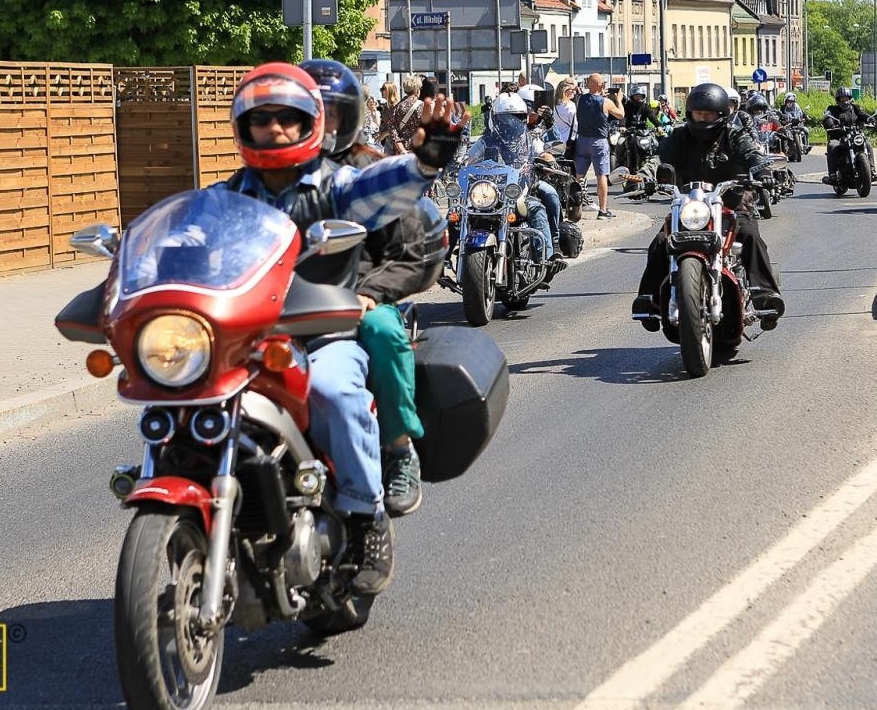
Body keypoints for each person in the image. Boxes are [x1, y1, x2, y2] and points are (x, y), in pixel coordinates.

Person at [224, 62, 464, 592]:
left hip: (326, 327)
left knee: (333, 389)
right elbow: (187, 240)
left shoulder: (337, 184)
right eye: (261, 120)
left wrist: (424, 162)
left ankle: (365, 515)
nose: (275, 130)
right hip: (251, 337)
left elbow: (380, 188)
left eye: (289, 118)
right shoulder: (227, 196)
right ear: (243, 127)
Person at [302, 60, 440, 517]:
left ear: (347, 118)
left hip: (355, 296)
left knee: (383, 332)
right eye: (309, 115)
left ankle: (399, 449)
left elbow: (409, 255)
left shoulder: (369, 171)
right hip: (282, 302)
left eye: (330, 115)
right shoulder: (269, 177)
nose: (320, 127)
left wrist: (369, 294)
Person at [629, 82, 783, 329]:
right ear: (690, 114)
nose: (702, 120)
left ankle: (764, 295)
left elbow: (751, 154)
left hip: (730, 205)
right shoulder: (680, 136)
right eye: (698, 114)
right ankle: (649, 299)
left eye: (708, 115)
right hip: (690, 206)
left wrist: (761, 170)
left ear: (721, 115)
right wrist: (645, 176)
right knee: (660, 243)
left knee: (751, 236)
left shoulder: (734, 135)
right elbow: (659, 158)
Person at [468, 90, 564, 269]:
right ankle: (442, 260)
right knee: (457, 214)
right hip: (490, 194)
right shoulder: (487, 140)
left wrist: (550, 162)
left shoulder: (528, 138)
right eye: (506, 118)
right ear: (496, 118)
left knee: (538, 209)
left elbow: (542, 152)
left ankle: (547, 258)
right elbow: (469, 157)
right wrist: (457, 165)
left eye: (517, 117)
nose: (512, 122)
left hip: (520, 191)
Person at [574, 73, 623, 219]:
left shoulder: (580, 99)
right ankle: (602, 210)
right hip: (599, 142)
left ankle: (571, 206)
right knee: (601, 175)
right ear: (601, 85)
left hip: (582, 140)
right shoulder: (606, 102)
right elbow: (620, 115)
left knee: (578, 176)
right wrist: (619, 100)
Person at [821, 87, 877, 183]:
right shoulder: (832, 109)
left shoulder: (855, 108)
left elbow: (863, 114)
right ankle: (832, 174)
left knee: (867, 143)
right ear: (838, 100)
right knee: (832, 145)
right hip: (839, 136)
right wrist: (830, 123)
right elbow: (828, 117)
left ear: (850, 99)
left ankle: (872, 171)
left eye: (846, 98)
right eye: (842, 99)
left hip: (854, 134)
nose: (845, 101)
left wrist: (871, 120)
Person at [382, 74, 423, 154]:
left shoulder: (398, 107)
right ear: (417, 90)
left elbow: (392, 129)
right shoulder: (421, 106)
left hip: (400, 151)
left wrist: (401, 149)